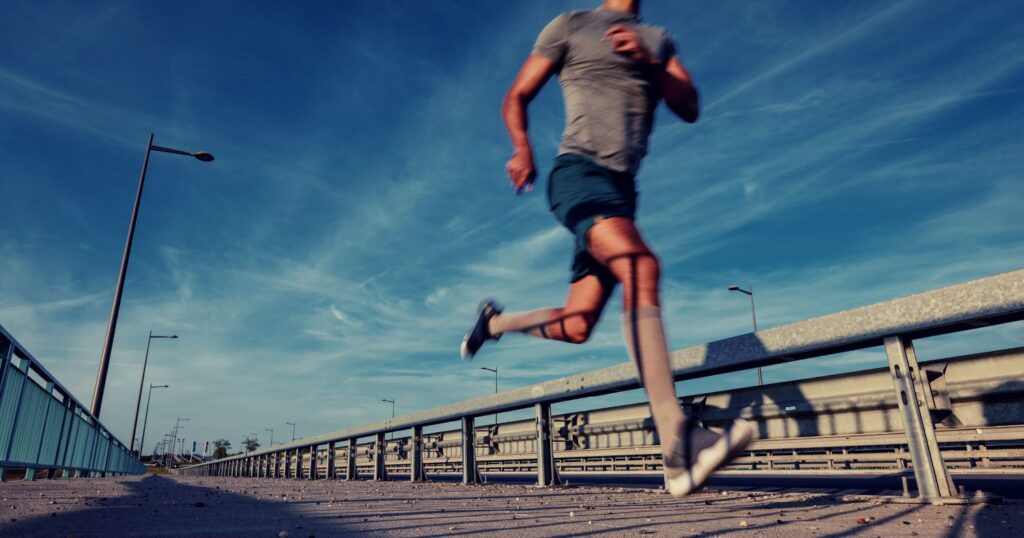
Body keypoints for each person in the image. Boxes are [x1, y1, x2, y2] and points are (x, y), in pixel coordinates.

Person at [461, 0, 752, 497]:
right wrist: (522, 147)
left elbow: (689, 106)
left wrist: (650, 60)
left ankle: (494, 323)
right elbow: (517, 95)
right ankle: (677, 440)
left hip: (622, 193)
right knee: (641, 264)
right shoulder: (572, 25)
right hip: (578, 174)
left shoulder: (659, 40)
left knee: (578, 325)